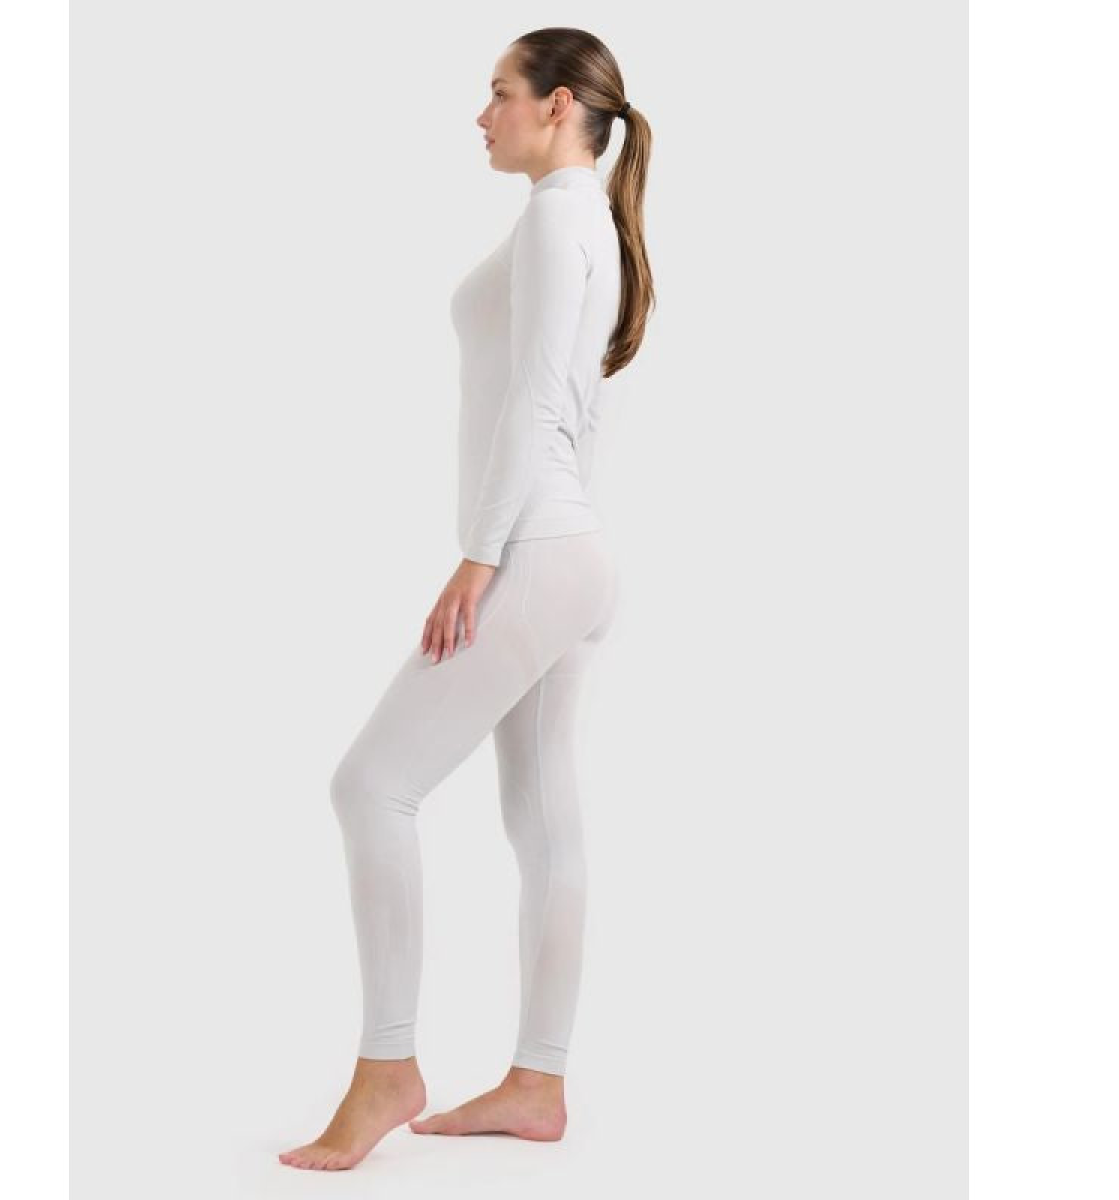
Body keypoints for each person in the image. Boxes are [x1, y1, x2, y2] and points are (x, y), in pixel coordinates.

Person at [279, 26, 654, 1172]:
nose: (481, 115)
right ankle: (537, 1084)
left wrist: (481, 558)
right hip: (573, 551)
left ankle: (388, 1065)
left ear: (557, 105)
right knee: (542, 815)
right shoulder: (587, 219)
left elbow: (536, 401)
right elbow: (569, 407)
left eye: (498, 92)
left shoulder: (556, 217)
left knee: (371, 787)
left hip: (537, 550)